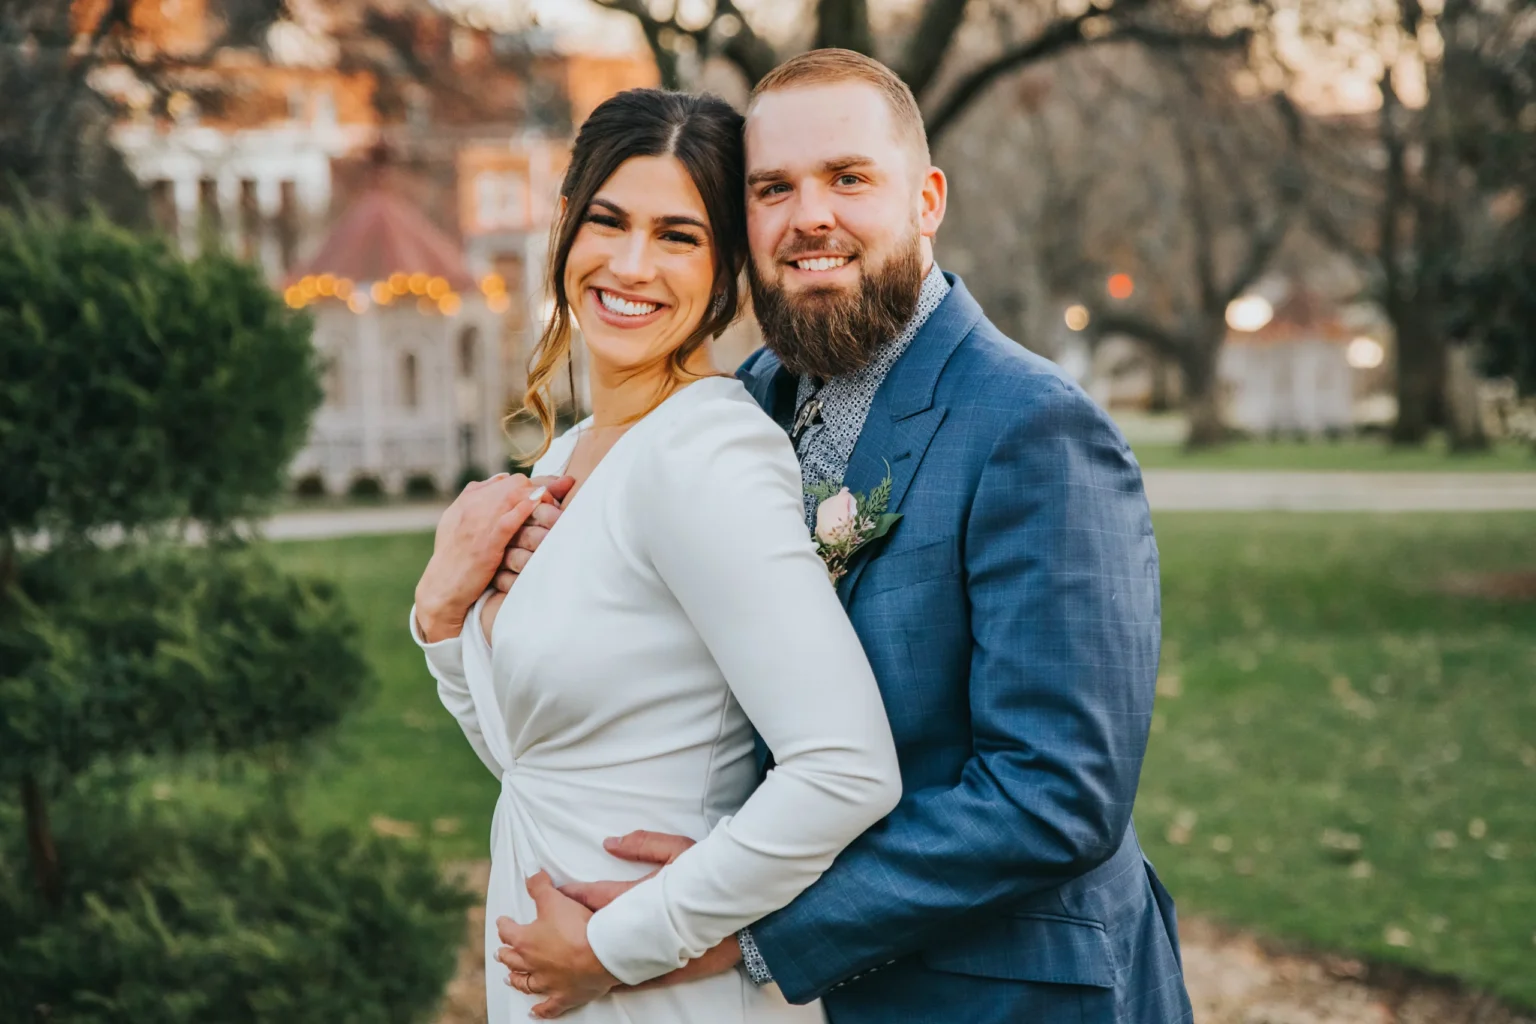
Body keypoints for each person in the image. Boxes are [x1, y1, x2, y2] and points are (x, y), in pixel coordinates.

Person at [489, 50, 1194, 1024]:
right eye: (774, 188)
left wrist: (749, 931)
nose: (808, 215)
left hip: (1004, 996)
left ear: (927, 199)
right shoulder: (740, 412)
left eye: (849, 178)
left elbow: (1055, 793)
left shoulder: (1032, 428)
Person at [409, 88, 901, 1023]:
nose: (631, 264)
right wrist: (439, 616)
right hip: (549, 979)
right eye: (609, 221)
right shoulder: (567, 458)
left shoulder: (704, 455)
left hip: (650, 989)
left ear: (728, 272)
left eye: (678, 236)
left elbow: (845, 768)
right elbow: (538, 763)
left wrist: (615, 948)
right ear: (565, 227)